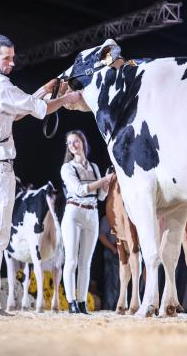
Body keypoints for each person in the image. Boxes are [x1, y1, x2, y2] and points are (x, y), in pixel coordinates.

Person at [0, 34, 82, 316]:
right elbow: (39, 111)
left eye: (12, 56)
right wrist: (67, 98)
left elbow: (17, 113)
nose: (12, 62)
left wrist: (44, 89)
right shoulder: (0, 85)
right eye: (6, 58)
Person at [61, 130, 112, 314]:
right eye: (70, 143)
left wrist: (105, 185)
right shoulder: (67, 168)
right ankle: (71, 302)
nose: (73, 145)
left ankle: (82, 302)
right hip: (74, 212)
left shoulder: (95, 167)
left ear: (83, 142)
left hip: (92, 214)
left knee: (86, 262)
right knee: (72, 260)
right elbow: (79, 189)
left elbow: (101, 197)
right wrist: (102, 181)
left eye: (76, 141)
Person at [99, 214, 120, 310]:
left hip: (117, 251)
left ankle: (115, 306)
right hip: (111, 251)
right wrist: (113, 249)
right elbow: (101, 236)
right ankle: (109, 306)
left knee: (117, 282)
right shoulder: (107, 218)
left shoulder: (120, 217)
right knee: (111, 281)